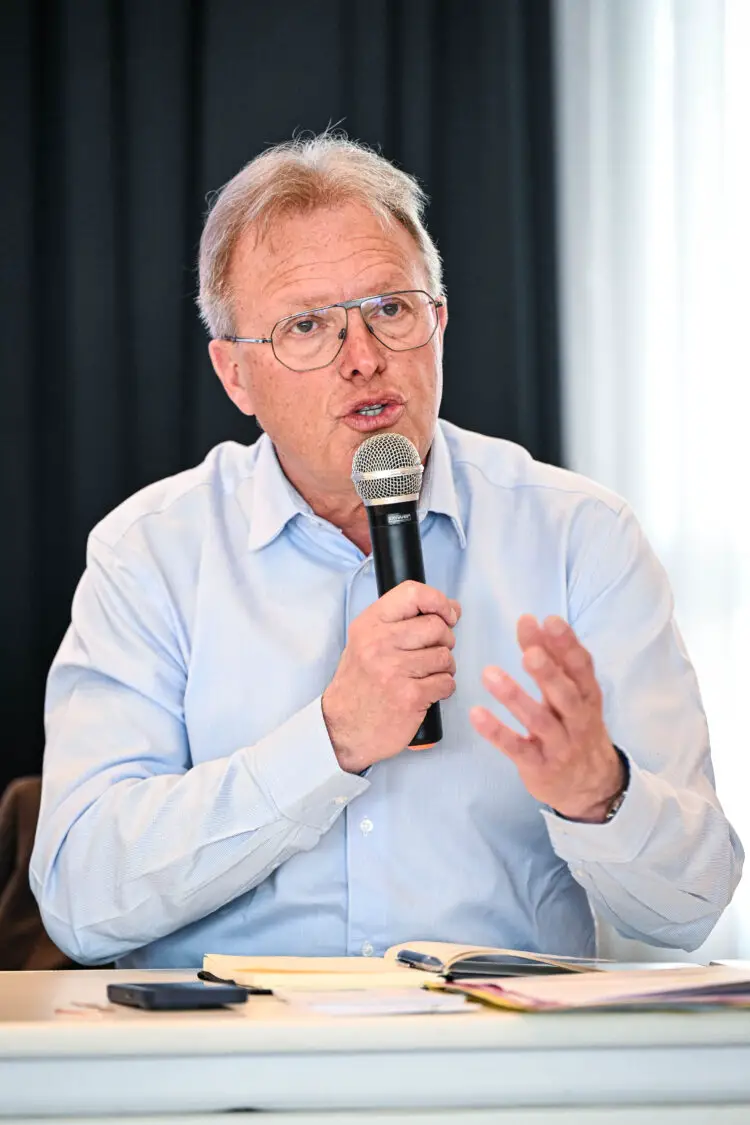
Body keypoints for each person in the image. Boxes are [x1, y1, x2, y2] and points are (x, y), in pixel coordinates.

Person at [30, 134, 742, 968]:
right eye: (307, 327)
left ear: (439, 322)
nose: (363, 358)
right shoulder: (149, 553)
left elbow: (691, 908)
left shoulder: (580, 536)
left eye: (391, 309)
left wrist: (602, 794)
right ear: (235, 376)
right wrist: (328, 740)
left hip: (495, 1073)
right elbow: (81, 902)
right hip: (236, 1069)